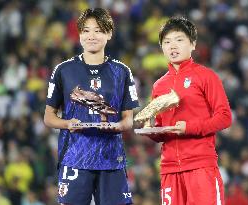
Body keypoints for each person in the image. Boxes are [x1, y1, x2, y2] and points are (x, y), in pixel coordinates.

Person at [44, 8, 139, 205]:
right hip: (75, 156)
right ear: (79, 35)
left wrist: (120, 126)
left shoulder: (122, 71)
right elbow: (49, 117)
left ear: (109, 34)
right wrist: (68, 123)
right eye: (86, 30)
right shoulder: (63, 70)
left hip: (111, 158)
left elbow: (128, 119)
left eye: (98, 30)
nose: (91, 36)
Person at [147, 16, 232, 205]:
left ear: (193, 44)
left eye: (179, 40)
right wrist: (152, 131)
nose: (172, 46)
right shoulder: (159, 85)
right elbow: (162, 127)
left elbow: (225, 117)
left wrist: (190, 127)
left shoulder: (206, 76)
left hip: (200, 165)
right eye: (167, 42)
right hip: (169, 169)